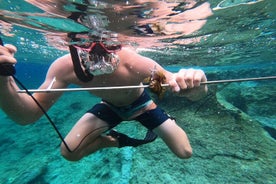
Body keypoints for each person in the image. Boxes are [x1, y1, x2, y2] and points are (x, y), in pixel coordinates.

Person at [0, 29, 207, 161]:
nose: (98, 51)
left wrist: (196, 85)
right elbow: (26, 114)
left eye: (109, 45)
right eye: (86, 45)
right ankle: (115, 140)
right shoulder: (64, 68)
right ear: (74, 45)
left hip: (141, 105)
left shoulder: (134, 63)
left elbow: (175, 85)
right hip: (109, 107)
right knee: (69, 152)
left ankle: (162, 120)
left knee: (184, 152)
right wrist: (3, 78)